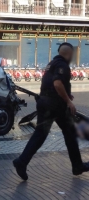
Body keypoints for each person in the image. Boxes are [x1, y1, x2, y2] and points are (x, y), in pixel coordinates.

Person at [13, 42, 89, 181]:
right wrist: (68, 101)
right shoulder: (63, 66)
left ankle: (22, 162)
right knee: (67, 134)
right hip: (55, 106)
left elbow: (51, 84)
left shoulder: (52, 63)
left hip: (45, 102)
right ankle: (77, 166)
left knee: (49, 134)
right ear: (69, 54)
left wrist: (66, 94)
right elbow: (57, 83)